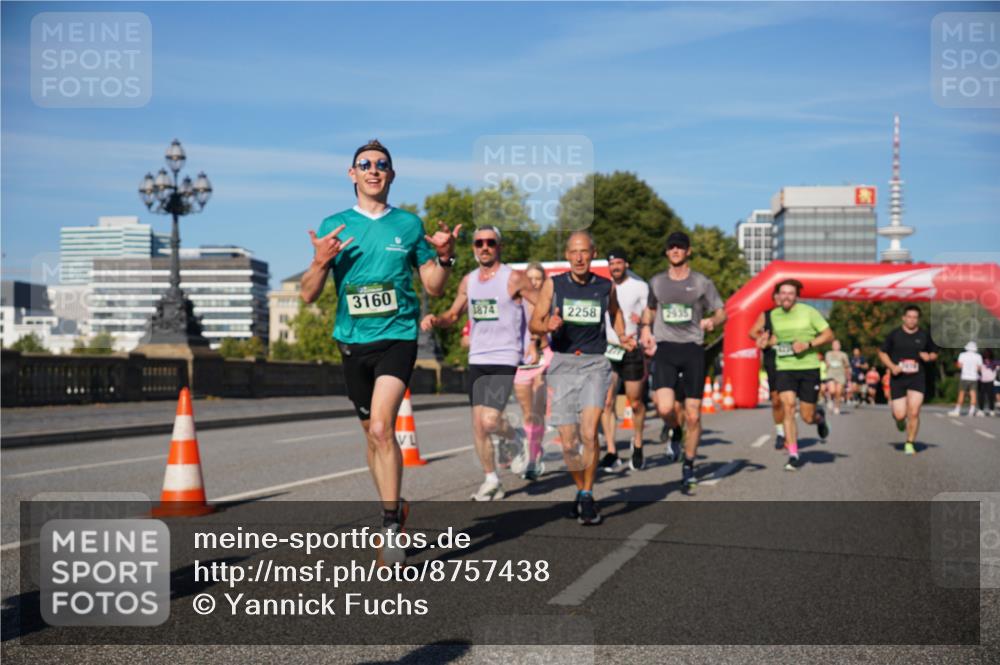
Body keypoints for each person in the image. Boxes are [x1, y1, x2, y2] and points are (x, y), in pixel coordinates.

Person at [301, 139, 458, 564]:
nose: (373, 170)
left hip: (397, 336)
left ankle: (390, 526)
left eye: (382, 165)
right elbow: (309, 297)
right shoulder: (335, 224)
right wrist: (318, 262)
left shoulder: (409, 225)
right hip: (352, 341)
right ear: (352, 174)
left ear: (391, 174)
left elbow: (433, 286)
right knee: (371, 437)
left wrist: (445, 257)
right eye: (364, 164)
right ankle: (395, 505)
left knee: (382, 430)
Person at [421, 226, 535, 500]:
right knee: (478, 424)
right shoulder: (468, 281)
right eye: (479, 243)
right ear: (472, 248)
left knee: (491, 419)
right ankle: (491, 479)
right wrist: (438, 320)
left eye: (490, 243)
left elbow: (539, 303)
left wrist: (534, 339)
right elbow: (453, 314)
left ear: (499, 246)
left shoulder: (514, 278)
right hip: (478, 357)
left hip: (505, 355)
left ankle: (517, 439)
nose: (484, 247)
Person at [530, 231, 632, 525]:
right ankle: (580, 487)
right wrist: (547, 324)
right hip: (562, 364)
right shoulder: (555, 285)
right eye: (574, 252)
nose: (579, 257)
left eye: (584, 252)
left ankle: (587, 495)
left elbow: (615, 313)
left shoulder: (604, 286)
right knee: (568, 442)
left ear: (593, 253)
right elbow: (536, 323)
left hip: (594, 365)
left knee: (589, 434)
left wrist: (623, 335)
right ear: (566, 254)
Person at [640, 231, 726, 491]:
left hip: (693, 350)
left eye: (680, 247)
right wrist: (645, 328)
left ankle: (688, 465)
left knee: (693, 414)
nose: (675, 251)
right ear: (666, 252)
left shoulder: (702, 283)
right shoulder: (656, 282)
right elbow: (651, 309)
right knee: (665, 409)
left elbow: (721, 311)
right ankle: (674, 431)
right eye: (671, 247)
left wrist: (713, 321)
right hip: (666, 348)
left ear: (688, 251)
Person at [764, 278, 833, 470]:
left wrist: (808, 344)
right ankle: (793, 453)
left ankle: (818, 417)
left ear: (797, 296)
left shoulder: (809, 312)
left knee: (806, 416)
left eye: (790, 293)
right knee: (788, 407)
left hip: (808, 368)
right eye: (783, 293)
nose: (786, 296)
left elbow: (829, 335)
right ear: (778, 295)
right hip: (784, 367)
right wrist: (767, 341)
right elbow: (777, 337)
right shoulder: (774, 315)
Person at [598, 249, 650, 472]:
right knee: (607, 402)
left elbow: (650, 312)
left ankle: (637, 443)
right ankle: (611, 451)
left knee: (635, 401)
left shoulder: (640, 286)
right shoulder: (602, 287)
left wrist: (644, 322)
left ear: (626, 264)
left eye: (619, 263)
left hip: (631, 347)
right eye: (612, 264)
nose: (615, 267)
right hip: (608, 347)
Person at [877, 305, 940, 455]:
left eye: (915, 317)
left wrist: (929, 357)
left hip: (917, 378)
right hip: (898, 378)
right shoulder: (894, 335)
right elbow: (882, 353)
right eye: (909, 317)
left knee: (914, 412)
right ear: (903, 318)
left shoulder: (924, 336)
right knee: (900, 414)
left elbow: (935, 353)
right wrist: (892, 366)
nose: (912, 320)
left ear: (918, 319)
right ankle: (899, 421)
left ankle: (910, 442)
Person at [511, 262, 552, 480]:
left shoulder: (546, 302)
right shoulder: (516, 303)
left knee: (537, 409)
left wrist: (535, 342)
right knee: (527, 412)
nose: (534, 282)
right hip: (521, 361)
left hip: (542, 358)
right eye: (531, 278)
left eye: (538, 278)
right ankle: (532, 446)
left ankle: (534, 460)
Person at [749, 289, 785, 449]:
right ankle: (781, 433)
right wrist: (763, 338)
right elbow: (752, 332)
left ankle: (815, 416)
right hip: (773, 360)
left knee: (792, 401)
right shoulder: (767, 315)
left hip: (794, 360)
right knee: (777, 399)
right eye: (776, 295)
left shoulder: (798, 314)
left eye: (783, 294)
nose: (780, 297)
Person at [950, 341, 983, 416]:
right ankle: (972, 410)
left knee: (961, 393)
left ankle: (957, 410)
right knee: (973, 394)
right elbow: (979, 368)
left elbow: (959, 365)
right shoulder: (978, 356)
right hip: (974, 377)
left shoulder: (962, 355)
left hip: (964, 376)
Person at [825, 340, 850, 415]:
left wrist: (847, 375)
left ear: (840, 346)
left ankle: (837, 407)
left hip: (840, 374)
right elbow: (826, 363)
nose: (836, 346)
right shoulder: (828, 354)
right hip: (831, 374)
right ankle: (830, 400)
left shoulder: (843, 354)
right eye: (834, 344)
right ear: (832, 346)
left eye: (837, 344)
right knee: (832, 391)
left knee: (838, 392)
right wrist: (827, 365)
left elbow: (847, 365)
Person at [979, 350, 997, 417]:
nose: (987, 355)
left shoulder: (994, 362)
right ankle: (981, 410)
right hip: (982, 381)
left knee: (990, 396)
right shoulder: (981, 362)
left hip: (990, 381)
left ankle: (991, 410)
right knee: (982, 396)